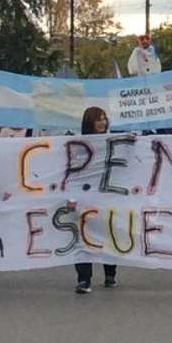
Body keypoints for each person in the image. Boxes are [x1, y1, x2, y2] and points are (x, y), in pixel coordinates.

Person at [74, 106, 119, 294]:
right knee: (83, 238)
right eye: (98, 119)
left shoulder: (112, 142)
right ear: (89, 121)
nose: (102, 122)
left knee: (108, 234)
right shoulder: (79, 144)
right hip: (85, 197)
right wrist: (72, 197)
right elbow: (73, 173)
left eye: (104, 118)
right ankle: (84, 279)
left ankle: (110, 274)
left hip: (107, 197)